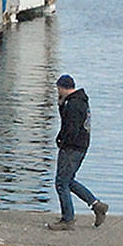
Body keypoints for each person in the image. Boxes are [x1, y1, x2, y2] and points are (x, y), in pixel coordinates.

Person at [48, 74, 107, 231]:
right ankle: (96, 205)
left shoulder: (73, 105)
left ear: (61, 87)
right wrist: (61, 106)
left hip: (72, 147)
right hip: (81, 145)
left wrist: (62, 142)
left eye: (58, 89)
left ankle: (68, 219)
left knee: (61, 183)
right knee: (68, 181)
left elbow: (71, 128)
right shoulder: (79, 101)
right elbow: (68, 121)